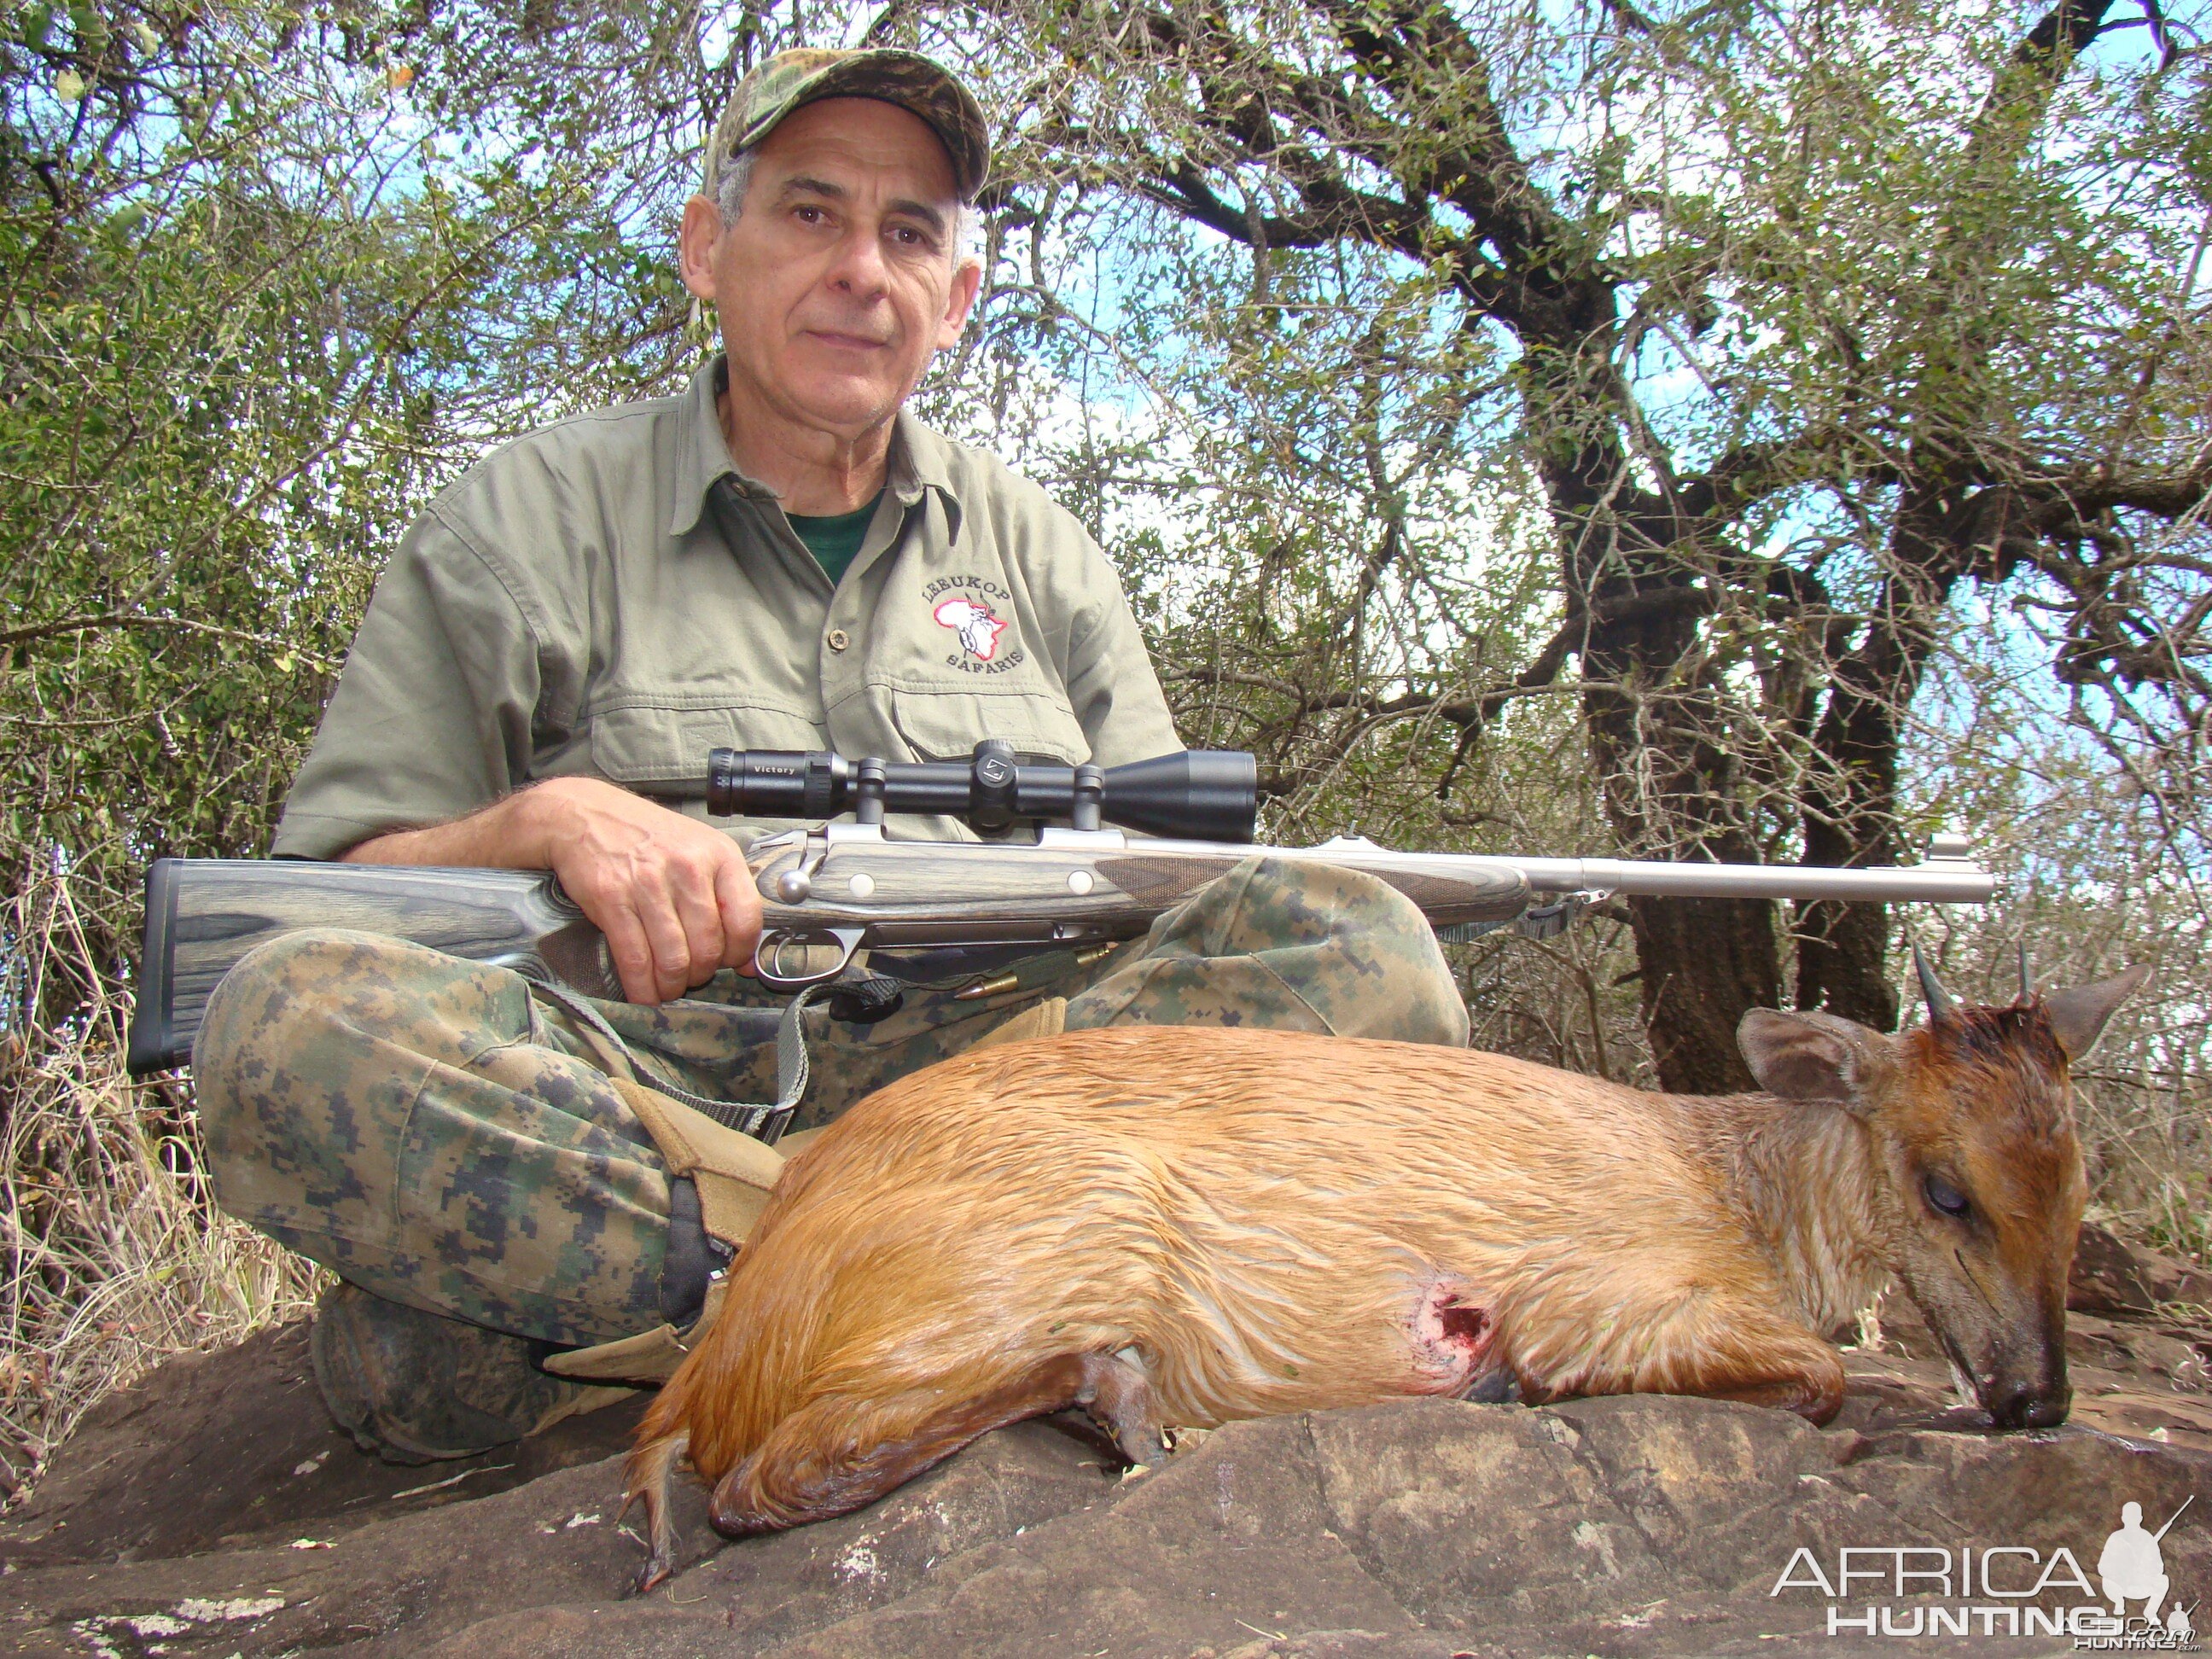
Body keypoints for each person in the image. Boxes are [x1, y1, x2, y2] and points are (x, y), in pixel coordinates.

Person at [192, 47, 1470, 1464]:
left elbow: (1181, 893)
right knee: (288, 1021)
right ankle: (962, 1306)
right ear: (706, 247)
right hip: (652, 1078)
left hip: (1011, 1080)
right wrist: (546, 819)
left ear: (955, 300)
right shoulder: (526, 518)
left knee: (1367, 951)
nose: (862, 268)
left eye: (908, 233)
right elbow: (327, 891)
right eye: (811, 213)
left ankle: (681, 1309)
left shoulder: (1042, 555)